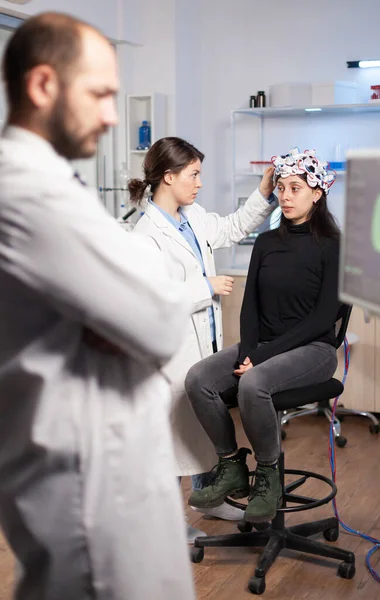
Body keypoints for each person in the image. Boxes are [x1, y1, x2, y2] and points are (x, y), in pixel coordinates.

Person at [0, 13, 195, 600]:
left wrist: (127, 312)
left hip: (104, 470)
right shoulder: (31, 192)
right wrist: (135, 314)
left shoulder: (56, 185)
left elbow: (151, 306)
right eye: (100, 94)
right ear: (42, 87)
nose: (114, 115)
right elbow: (161, 320)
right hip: (88, 487)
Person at [130, 137, 276, 540]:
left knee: (200, 429)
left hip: (202, 344)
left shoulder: (190, 216)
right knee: (171, 438)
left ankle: (211, 501)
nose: (198, 183)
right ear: (168, 176)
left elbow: (231, 227)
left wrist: (264, 193)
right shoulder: (146, 234)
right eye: (193, 175)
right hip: (169, 352)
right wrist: (204, 285)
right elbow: (152, 297)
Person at [185, 147, 341, 524]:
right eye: (282, 188)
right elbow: (250, 306)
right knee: (199, 379)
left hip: (313, 349)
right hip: (265, 346)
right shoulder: (267, 242)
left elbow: (323, 320)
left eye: (296, 189)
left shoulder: (333, 246)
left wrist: (262, 357)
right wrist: (248, 351)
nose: (285, 196)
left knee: (253, 384)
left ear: (317, 194)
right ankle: (231, 463)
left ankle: (268, 475)